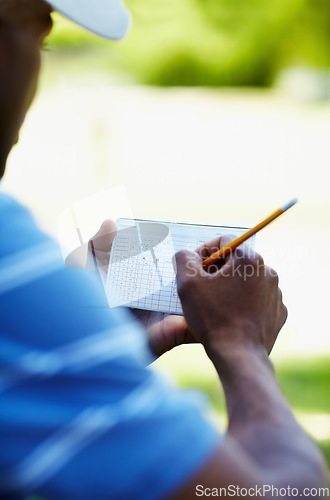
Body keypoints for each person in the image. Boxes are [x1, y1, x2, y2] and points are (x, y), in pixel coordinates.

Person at [0, 1, 327, 499]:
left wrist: (94, 342)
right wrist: (243, 346)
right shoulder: (9, 251)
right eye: (39, 37)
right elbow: (282, 493)